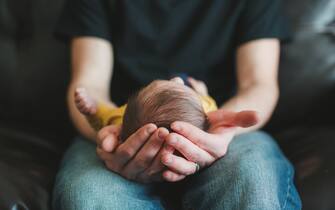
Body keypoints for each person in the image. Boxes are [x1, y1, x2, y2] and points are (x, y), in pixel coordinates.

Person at [53, 0, 302, 209]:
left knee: (254, 181)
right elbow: (88, 85)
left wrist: (224, 128)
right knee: (89, 196)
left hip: (222, 127)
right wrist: (112, 134)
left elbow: (258, 84)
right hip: (123, 123)